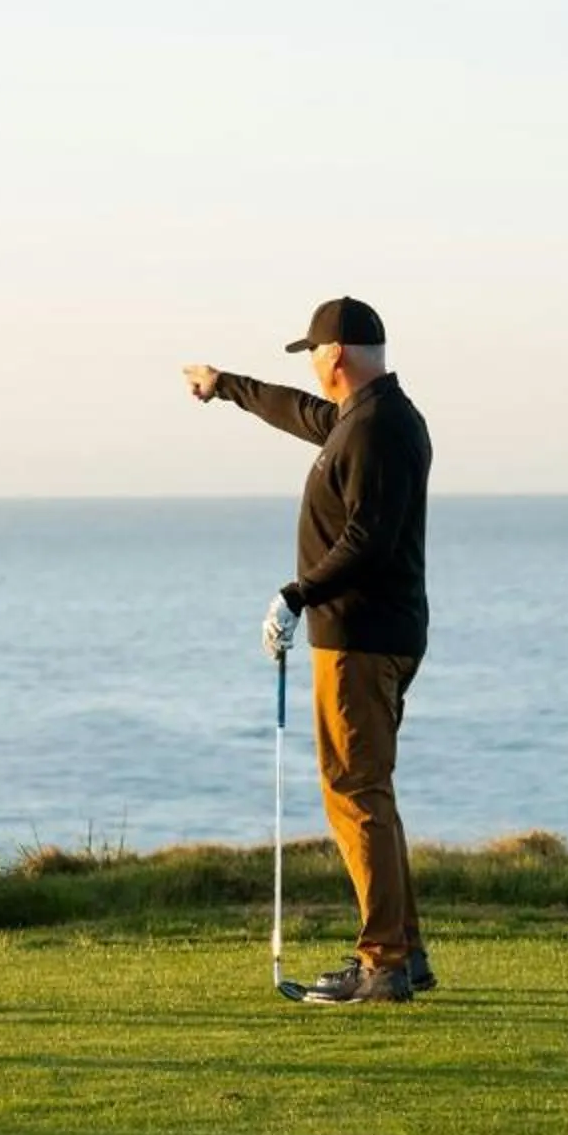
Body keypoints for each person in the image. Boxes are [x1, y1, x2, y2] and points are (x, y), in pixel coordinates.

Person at [184, 296, 435, 1005]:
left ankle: (383, 962)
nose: (315, 371)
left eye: (316, 356)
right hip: (370, 633)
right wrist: (226, 384)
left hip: (360, 636)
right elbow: (297, 412)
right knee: (368, 791)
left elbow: (367, 539)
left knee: (354, 791)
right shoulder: (367, 418)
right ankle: (404, 952)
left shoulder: (378, 428)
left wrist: (296, 595)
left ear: (339, 357)